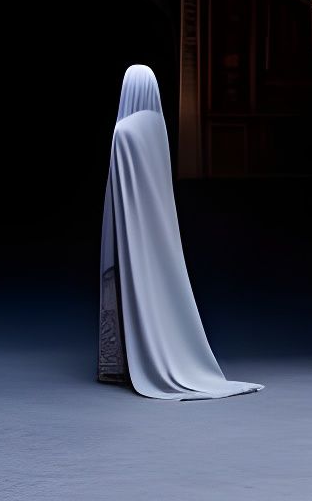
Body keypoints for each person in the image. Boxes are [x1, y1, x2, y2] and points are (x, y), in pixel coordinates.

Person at [98, 64, 263, 400]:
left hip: (136, 234)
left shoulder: (125, 132)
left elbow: (120, 191)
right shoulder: (155, 125)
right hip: (160, 232)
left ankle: (129, 363)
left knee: (134, 287)